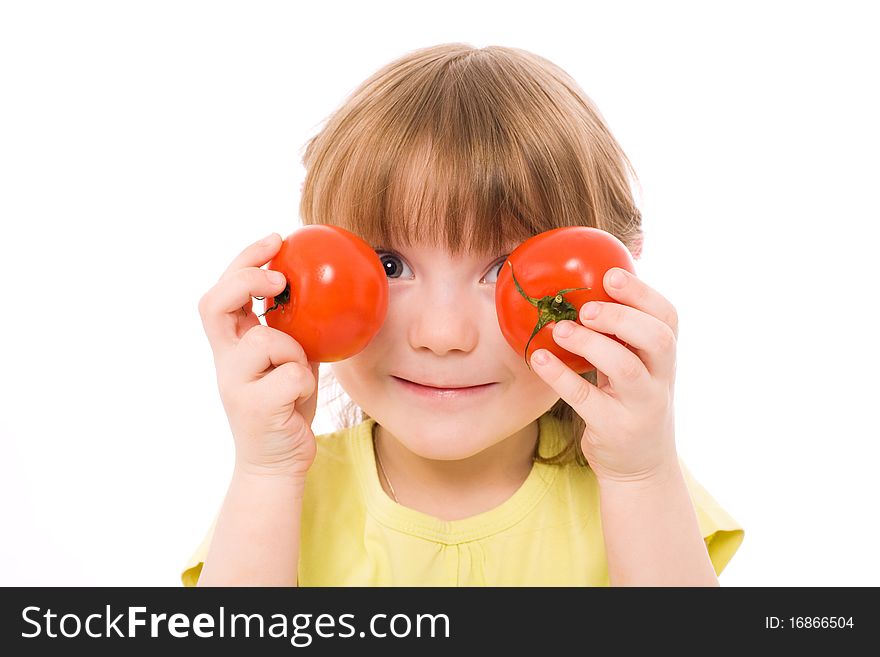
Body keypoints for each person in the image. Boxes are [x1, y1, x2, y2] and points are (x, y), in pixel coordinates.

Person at [182, 43, 744, 587]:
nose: (442, 335)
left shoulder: (640, 484)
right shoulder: (278, 492)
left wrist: (639, 476)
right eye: (389, 264)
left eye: (505, 269)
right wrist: (266, 473)